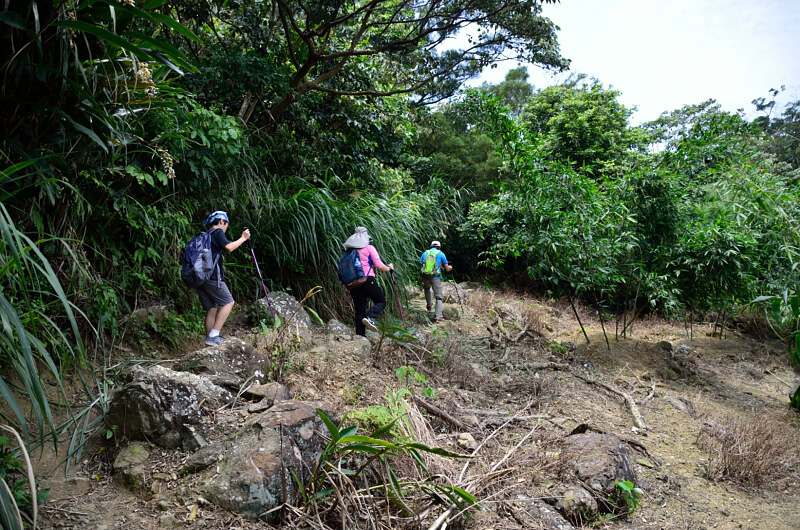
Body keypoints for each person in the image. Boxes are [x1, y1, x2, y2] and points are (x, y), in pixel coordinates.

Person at [196, 211, 250, 346]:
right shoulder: (217, 232)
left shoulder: (204, 236)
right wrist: (243, 238)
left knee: (211, 308)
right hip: (213, 276)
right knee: (228, 302)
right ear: (221, 221)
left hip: (200, 277)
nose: (225, 229)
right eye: (226, 225)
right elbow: (229, 247)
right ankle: (214, 335)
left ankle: (209, 340)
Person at [343, 227, 394, 335]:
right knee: (381, 301)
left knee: (359, 310)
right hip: (367, 280)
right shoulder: (369, 248)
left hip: (354, 284)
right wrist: (389, 268)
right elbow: (379, 265)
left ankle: (360, 336)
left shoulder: (349, 251)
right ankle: (369, 317)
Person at [419, 240, 452, 324]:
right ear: (439, 247)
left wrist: (421, 278)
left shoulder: (425, 253)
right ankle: (438, 317)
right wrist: (450, 268)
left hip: (425, 276)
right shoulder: (440, 254)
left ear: (431, 246)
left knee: (427, 288)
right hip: (436, 277)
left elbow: (420, 266)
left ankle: (429, 305)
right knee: (438, 297)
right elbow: (447, 268)